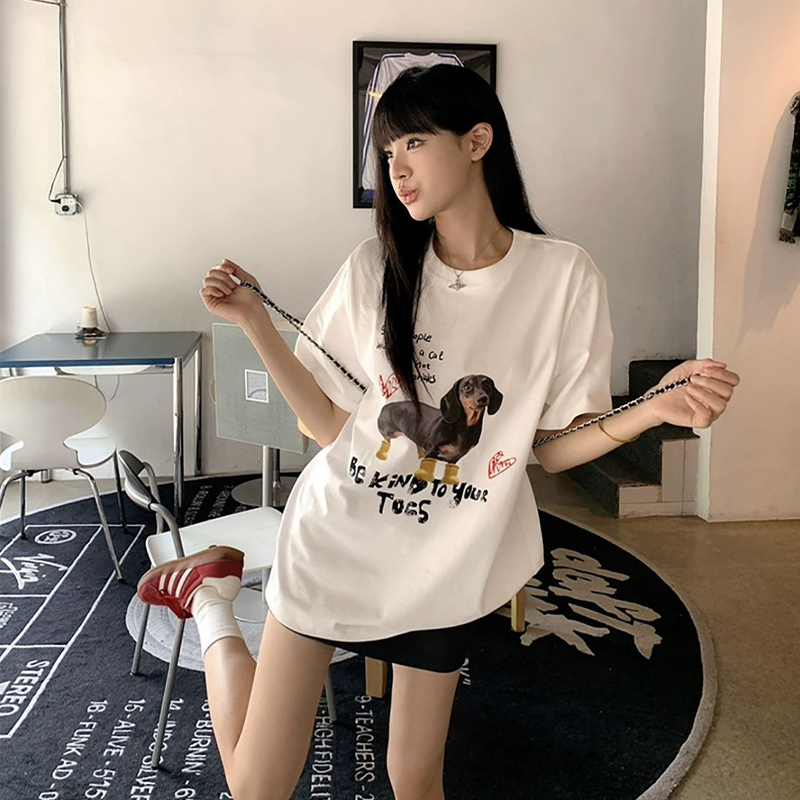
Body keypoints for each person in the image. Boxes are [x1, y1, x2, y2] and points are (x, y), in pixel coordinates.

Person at [136, 64, 739, 800]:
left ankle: (212, 598)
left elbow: (549, 449)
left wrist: (650, 410)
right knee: (258, 786)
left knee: (415, 777)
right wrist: (254, 322)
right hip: (336, 539)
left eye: (414, 143)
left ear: (478, 141)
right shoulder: (375, 267)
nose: (396, 170)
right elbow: (326, 424)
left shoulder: (563, 277)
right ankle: (211, 604)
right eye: (387, 153)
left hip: (446, 561)